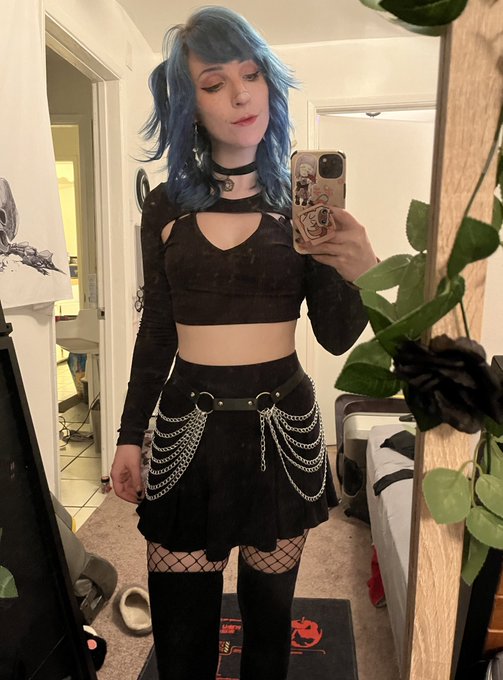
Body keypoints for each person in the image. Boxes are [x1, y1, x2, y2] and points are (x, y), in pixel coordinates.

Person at [110, 6, 377, 680]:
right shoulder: (164, 205)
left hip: (280, 436)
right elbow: (157, 329)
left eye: (251, 75)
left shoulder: (302, 206)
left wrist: (361, 271)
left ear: (269, 84)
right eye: (214, 82)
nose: (239, 95)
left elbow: (336, 335)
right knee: (181, 641)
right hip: (185, 434)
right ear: (188, 105)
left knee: (267, 635)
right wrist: (129, 436)